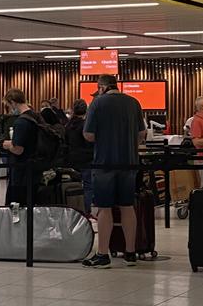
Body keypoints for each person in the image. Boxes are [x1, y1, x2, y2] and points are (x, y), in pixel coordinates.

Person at [82, 75, 145, 269]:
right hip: (129, 163)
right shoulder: (134, 102)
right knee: (127, 206)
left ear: (101, 87)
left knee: (104, 208)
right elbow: (141, 135)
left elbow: (89, 135)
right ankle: (131, 253)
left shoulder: (97, 103)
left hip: (105, 163)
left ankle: (103, 254)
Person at [0, 89, 41, 207]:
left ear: (13, 102)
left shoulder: (21, 122)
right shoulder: (36, 117)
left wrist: (6, 144)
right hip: (35, 170)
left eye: (8, 104)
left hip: (21, 172)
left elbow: (18, 149)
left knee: (18, 207)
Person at [64, 98, 95, 212]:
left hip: (72, 159)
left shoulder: (68, 125)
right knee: (88, 186)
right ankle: (86, 211)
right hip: (86, 159)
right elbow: (90, 143)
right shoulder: (86, 126)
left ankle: (75, 210)